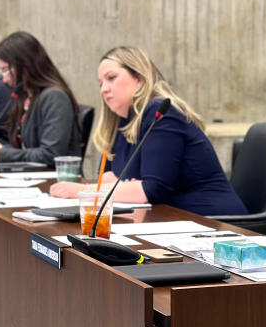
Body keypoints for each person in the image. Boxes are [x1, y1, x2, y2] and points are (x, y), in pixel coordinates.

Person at [50, 47, 246, 216]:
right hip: (168, 219)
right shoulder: (122, 120)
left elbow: (152, 189)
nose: (103, 89)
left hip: (213, 221)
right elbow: (110, 178)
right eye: (100, 83)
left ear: (140, 79)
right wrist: (125, 186)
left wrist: (83, 191)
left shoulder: (161, 112)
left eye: (111, 78)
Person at [0, 32, 81, 165]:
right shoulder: (27, 98)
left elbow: (51, 155)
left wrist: (3, 154)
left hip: (57, 181)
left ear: (24, 66)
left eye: (5, 70)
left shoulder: (55, 97)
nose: (4, 79)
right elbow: (27, 149)